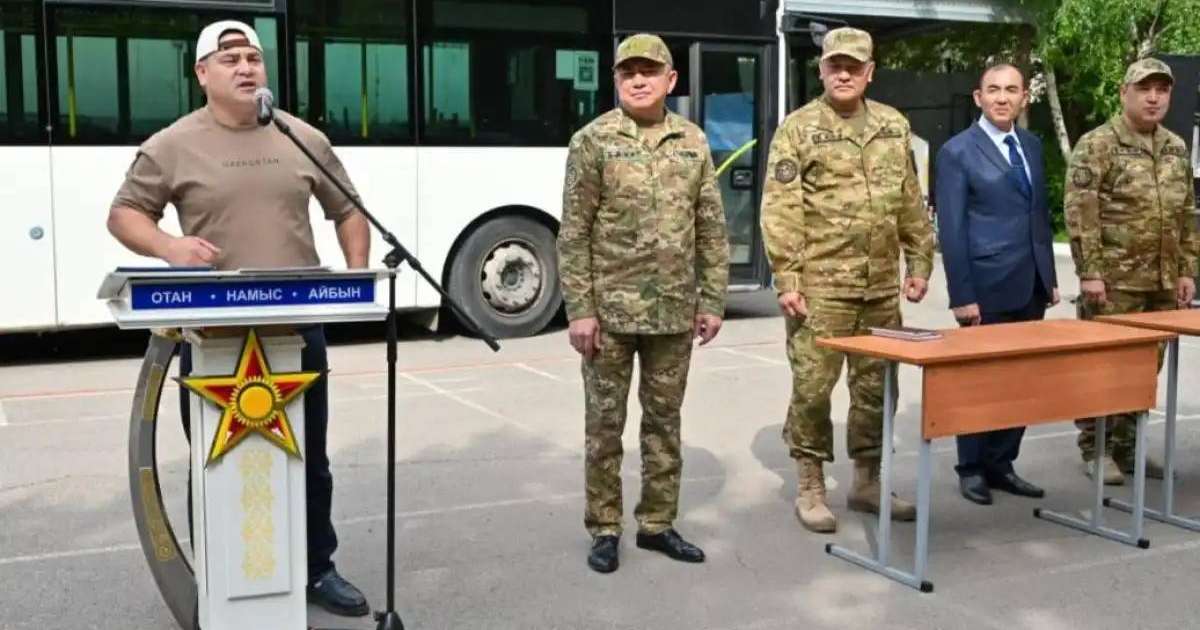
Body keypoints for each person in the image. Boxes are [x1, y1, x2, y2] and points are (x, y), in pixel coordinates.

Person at [106, 20, 372, 617]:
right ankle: (217, 577)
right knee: (214, 457)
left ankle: (317, 569)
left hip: (296, 331)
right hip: (211, 338)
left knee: (310, 458)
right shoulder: (172, 144)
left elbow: (348, 209)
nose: (246, 67)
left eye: (254, 57)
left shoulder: (299, 136)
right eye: (230, 60)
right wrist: (170, 247)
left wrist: (356, 278)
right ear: (201, 73)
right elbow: (124, 214)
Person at [557, 33, 730, 574]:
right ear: (615, 80)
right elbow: (573, 232)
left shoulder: (692, 141)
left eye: (648, 72)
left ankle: (657, 523)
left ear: (670, 80)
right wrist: (580, 309)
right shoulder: (593, 140)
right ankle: (604, 527)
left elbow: (711, 226)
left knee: (664, 424)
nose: (637, 80)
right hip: (609, 315)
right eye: (627, 72)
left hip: (673, 313)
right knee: (604, 428)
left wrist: (713, 299)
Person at [760, 27, 934, 534]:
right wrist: (788, 278)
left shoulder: (893, 125)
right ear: (821, 70)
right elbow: (781, 209)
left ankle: (867, 481)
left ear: (869, 72)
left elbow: (909, 199)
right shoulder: (798, 129)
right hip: (821, 290)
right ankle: (811, 484)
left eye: (853, 66)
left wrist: (919, 262)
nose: (843, 74)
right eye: (834, 65)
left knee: (877, 390)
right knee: (813, 390)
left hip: (879, 289)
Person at [1066, 57, 1198, 485]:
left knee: (1145, 369)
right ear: (1125, 93)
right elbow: (1081, 212)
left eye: (1162, 90)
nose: (1154, 98)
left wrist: (1187, 270)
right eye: (1144, 89)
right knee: (1104, 367)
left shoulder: (1175, 147)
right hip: (1114, 283)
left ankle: (1128, 449)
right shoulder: (1098, 144)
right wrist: (1090, 272)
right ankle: (1097, 449)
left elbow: (1187, 213)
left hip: (1161, 281)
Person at [934, 63, 1059, 505]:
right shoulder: (957, 152)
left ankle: (1002, 463)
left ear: (1025, 96)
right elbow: (952, 229)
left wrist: (1049, 276)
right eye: (993, 90)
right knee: (980, 381)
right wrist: (962, 295)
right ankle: (971, 468)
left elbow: (1038, 215)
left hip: (1031, 284)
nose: (1002, 98)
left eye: (1011, 90)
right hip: (985, 286)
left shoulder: (1032, 145)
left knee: (1021, 380)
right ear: (978, 97)